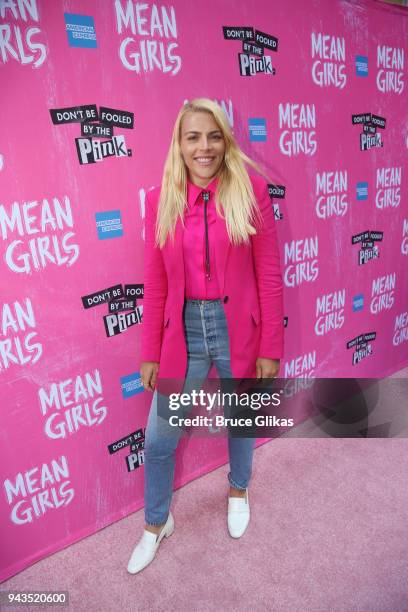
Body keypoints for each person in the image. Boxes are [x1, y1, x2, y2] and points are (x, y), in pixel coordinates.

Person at [127, 98, 284, 574]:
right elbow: (156, 282)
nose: (205, 146)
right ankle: (156, 524)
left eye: (214, 135)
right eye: (193, 136)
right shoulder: (162, 200)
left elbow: (270, 276)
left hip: (238, 328)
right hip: (186, 333)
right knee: (158, 440)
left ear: (226, 140)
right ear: (179, 142)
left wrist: (271, 348)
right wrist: (150, 350)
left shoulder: (251, 190)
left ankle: (239, 489)